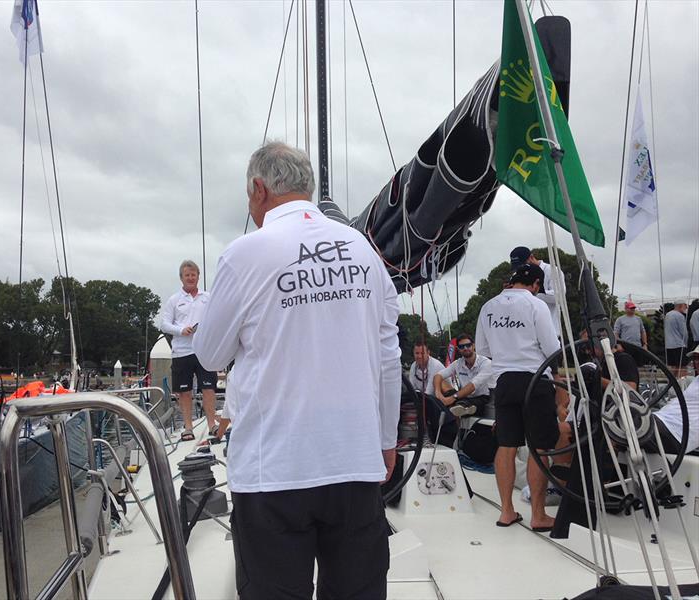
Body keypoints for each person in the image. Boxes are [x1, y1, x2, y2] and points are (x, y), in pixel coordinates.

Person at [193, 142, 401, 600]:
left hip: (274, 473)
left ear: (259, 188)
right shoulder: (364, 253)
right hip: (355, 465)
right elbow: (389, 357)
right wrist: (386, 441)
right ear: (306, 188)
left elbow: (209, 354)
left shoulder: (245, 254)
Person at [475, 263, 561, 531]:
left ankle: (506, 511)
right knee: (539, 448)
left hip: (504, 382)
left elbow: (483, 348)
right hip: (535, 381)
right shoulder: (537, 306)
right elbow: (552, 348)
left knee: (507, 446)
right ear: (536, 285)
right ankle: (538, 515)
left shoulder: (488, 306)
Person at [160, 259, 217, 441]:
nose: (190, 278)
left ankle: (212, 425)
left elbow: (217, 317)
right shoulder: (174, 300)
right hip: (182, 351)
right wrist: (181, 330)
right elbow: (164, 324)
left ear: (198, 276)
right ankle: (188, 427)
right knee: (184, 392)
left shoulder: (208, 297)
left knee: (209, 388)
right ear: (181, 278)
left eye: (193, 275)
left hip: (204, 350)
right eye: (187, 275)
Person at [644, 345, 699, 455]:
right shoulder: (696, 380)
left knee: (622, 425)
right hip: (661, 422)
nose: (696, 362)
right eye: (695, 358)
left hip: (675, 434)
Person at [433, 333, 495, 418]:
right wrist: (438, 393)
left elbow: (473, 386)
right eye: (462, 347)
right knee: (442, 383)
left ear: (473, 346)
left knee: (462, 403)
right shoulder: (458, 363)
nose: (465, 348)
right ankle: (460, 408)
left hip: (482, 398)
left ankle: (460, 407)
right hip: (463, 397)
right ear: (458, 349)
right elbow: (438, 376)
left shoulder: (486, 363)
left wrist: (452, 398)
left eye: (468, 345)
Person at [510, 246, 566, 337]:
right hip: (524, 334)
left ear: (531, 257)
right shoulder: (517, 274)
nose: (522, 268)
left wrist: (532, 292)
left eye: (524, 264)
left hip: (549, 333)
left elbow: (560, 296)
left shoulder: (552, 270)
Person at [664, 300, 689, 376]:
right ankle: (682, 385)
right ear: (680, 305)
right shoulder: (679, 316)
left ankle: (672, 384)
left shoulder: (667, 315)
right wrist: (686, 343)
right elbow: (684, 332)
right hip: (679, 345)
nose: (686, 308)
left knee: (673, 367)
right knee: (682, 367)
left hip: (668, 345)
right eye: (685, 306)